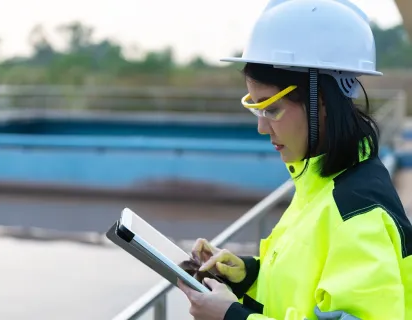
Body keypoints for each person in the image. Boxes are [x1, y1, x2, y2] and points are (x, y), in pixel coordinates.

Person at [176, 0, 412, 319]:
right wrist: (247, 274)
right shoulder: (319, 184)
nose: (262, 126)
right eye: (256, 108)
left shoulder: (356, 212)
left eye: (271, 109)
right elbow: (303, 290)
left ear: (323, 102)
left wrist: (233, 316)